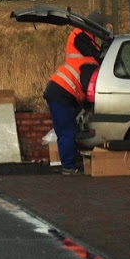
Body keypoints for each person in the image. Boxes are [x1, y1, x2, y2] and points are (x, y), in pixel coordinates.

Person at [43, 13, 104, 175]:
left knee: (66, 129)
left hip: (58, 90)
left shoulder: (83, 49)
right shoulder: (82, 40)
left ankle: (69, 163)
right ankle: (68, 167)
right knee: (67, 130)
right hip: (62, 93)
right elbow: (87, 85)